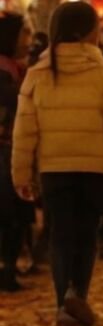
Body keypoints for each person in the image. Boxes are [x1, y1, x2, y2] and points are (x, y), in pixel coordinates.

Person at [11, 2, 103, 326]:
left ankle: (62, 301)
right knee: (86, 235)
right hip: (95, 169)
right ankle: (77, 293)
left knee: (61, 235)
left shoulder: (38, 74)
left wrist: (21, 174)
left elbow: (24, 130)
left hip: (54, 169)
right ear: (90, 33)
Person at [0, 14, 33, 291]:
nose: (28, 40)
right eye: (24, 33)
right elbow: (14, 102)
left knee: (16, 212)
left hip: (13, 148)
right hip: (5, 150)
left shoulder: (15, 68)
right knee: (8, 212)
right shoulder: (4, 71)